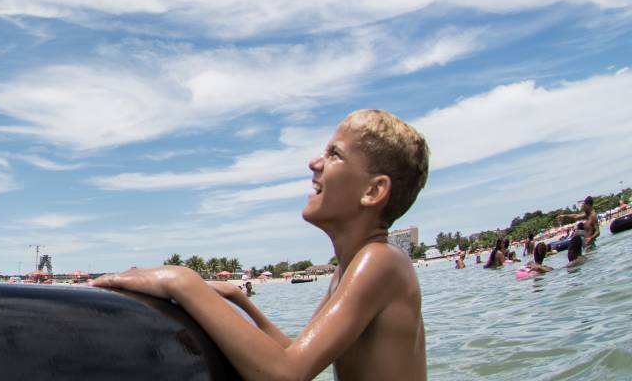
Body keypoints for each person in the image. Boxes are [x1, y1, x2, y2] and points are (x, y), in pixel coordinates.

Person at [93, 109, 429, 381]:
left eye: (334, 154)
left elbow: (286, 375)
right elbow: (294, 352)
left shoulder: (381, 262)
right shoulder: (349, 268)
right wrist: (240, 301)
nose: (314, 162)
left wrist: (182, 282)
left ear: (372, 192)